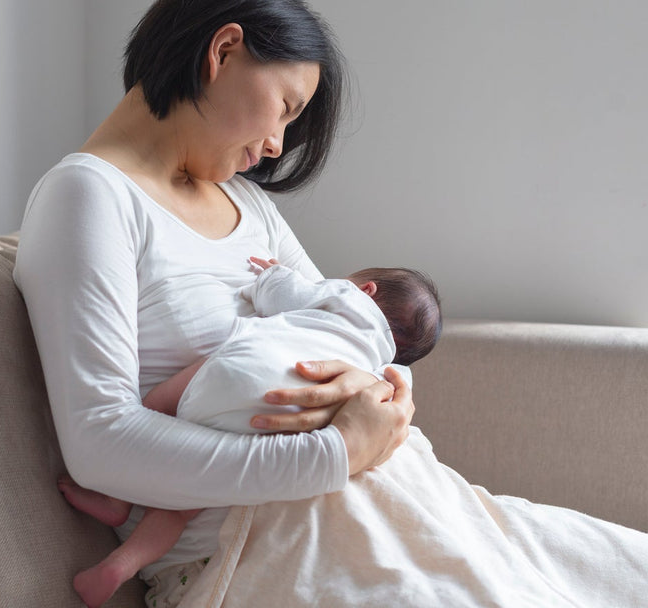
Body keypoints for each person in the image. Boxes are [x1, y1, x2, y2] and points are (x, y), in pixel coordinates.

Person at [14, 0, 648, 608]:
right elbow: (101, 443)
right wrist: (335, 454)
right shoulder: (90, 197)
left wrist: (388, 398)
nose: (276, 143)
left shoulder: (247, 205)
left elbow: (343, 330)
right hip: (265, 543)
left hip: (414, 494)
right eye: (284, 107)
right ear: (223, 52)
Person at [57, 255, 442, 607]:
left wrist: (272, 275)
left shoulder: (347, 296)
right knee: (182, 503)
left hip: (244, 371)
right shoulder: (381, 363)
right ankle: (119, 567)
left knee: (156, 407)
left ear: (366, 289)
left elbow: (282, 295)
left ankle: (116, 499)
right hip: (291, 415)